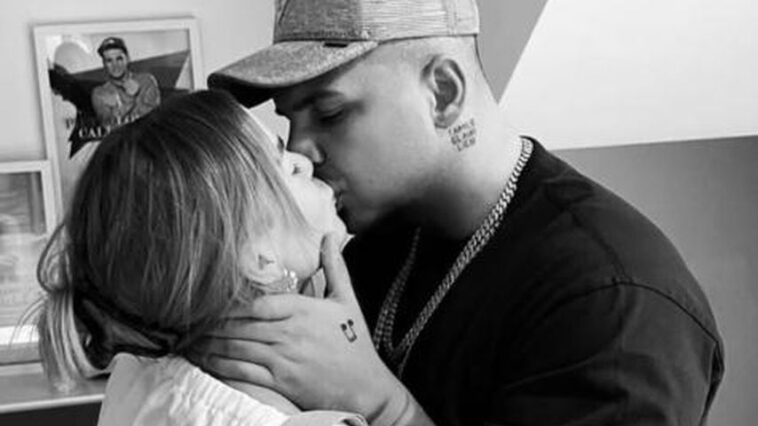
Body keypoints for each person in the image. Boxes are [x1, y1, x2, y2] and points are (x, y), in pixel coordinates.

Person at [204, 0, 725, 425]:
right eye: (290, 120)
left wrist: (383, 405)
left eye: (330, 112)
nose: (299, 149)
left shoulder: (614, 301)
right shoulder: (379, 241)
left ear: (443, 93)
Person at [35, 90, 365, 426]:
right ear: (258, 260)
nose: (305, 162)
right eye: (287, 168)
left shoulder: (136, 374)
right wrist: (381, 402)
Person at [91, 37, 160, 127]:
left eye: (119, 59)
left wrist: (116, 110)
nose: (115, 65)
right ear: (104, 64)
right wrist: (129, 98)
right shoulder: (100, 93)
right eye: (109, 61)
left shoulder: (146, 81)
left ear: (127, 59)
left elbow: (155, 117)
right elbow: (109, 125)